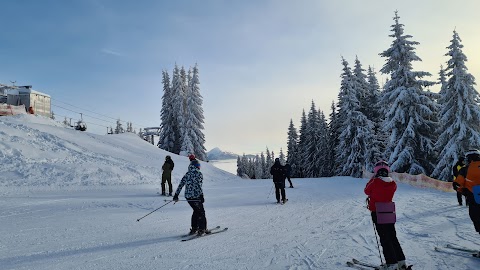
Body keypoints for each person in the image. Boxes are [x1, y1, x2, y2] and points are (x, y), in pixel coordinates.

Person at [364, 161, 407, 270]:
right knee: (392, 237)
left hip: (377, 212)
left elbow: (366, 190)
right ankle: (401, 261)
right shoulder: (393, 183)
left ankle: (391, 263)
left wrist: (373, 178)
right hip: (389, 212)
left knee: (384, 239)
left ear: (376, 171)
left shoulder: (375, 182)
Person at [173, 159, 209, 236]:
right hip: (196, 197)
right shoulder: (199, 174)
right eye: (198, 166)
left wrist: (176, 195)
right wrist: (201, 195)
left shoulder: (187, 174)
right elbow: (199, 186)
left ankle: (194, 228)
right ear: (196, 166)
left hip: (188, 197)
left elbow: (181, 184)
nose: (199, 167)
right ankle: (202, 229)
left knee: (196, 211)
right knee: (201, 212)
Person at [454, 149, 480, 234]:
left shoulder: (465, 169)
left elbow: (458, 184)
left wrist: (461, 190)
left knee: (475, 216)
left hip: (474, 197)